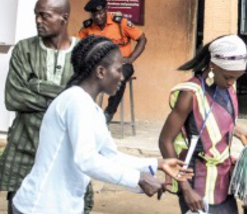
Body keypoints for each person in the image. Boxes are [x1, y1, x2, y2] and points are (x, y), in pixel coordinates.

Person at [10, 35, 191, 214]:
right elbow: (87, 159)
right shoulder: (75, 101)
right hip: (40, 207)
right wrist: (138, 178)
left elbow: (110, 157)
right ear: (101, 71)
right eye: (119, 70)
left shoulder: (91, 108)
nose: (122, 78)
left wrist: (157, 164)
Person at [0, 0, 96, 214]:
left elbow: (83, 102)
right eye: (36, 15)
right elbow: (13, 97)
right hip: (25, 149)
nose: (38, 21)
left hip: (67, 152)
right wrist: (64, 97)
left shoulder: (85, 53)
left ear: (64, 17)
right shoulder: (23, 50)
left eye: (44, 16)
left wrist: (35, 85)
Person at [159, 35, 247, 214]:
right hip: (196, 183)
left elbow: (211, 120)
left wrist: (238, 132)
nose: (231, 83)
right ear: (213, 66)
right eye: (228, 77)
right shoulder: (190, 95)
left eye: (236, 78)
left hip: (223, 182)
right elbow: (165, 140)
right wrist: (186, 188)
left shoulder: (228, 89)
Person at [78, 0, 147, 123]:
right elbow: (79, 47)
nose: (98, 17)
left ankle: (108, 114)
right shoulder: (88, 28)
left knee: (119, 76)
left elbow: (142, 39)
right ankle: (84, 113)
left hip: (122, 64)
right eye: (94, 14)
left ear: (106, 10)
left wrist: (131, 58)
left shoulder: (121, 23)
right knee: (80, 78)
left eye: (100, 13)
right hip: (98, 66)